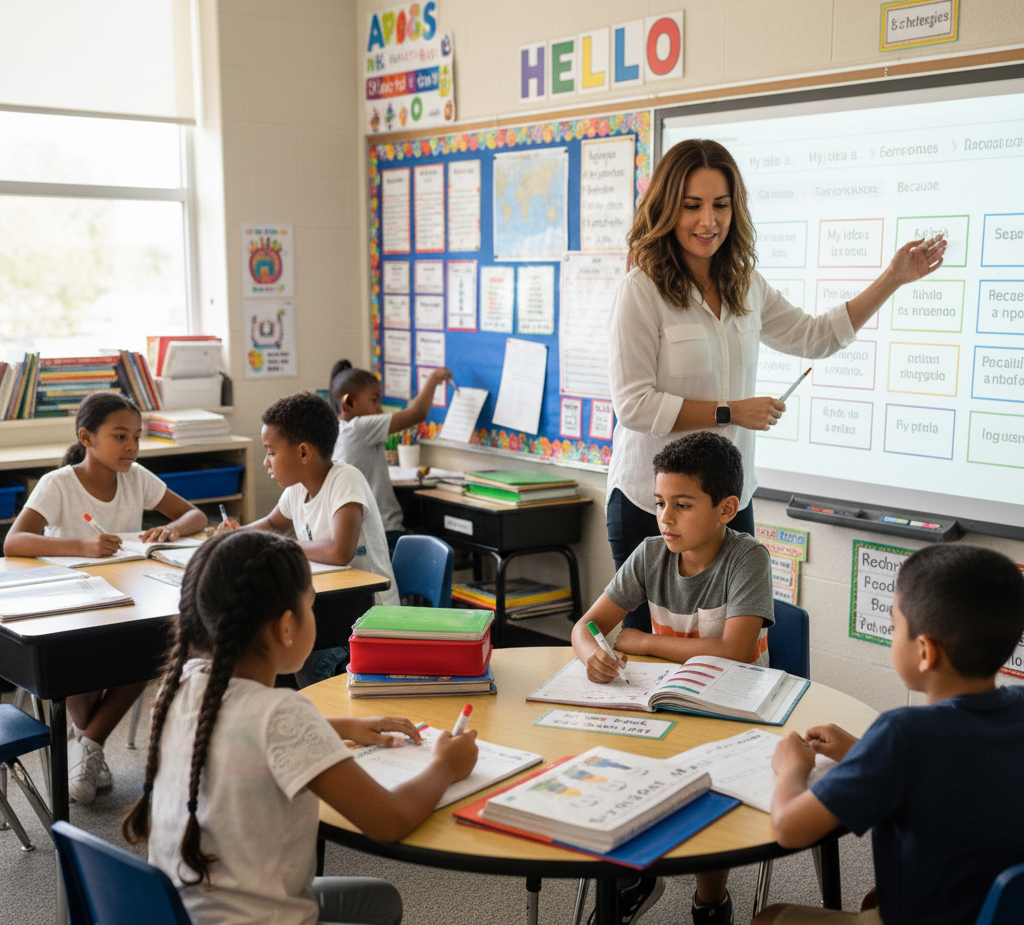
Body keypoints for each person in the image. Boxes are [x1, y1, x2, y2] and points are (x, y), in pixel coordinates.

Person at [607, 138, 946, 633]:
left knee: (733, 651)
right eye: (692, 206)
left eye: (721, 205)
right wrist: (730, 411)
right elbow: (634, 405)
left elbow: (816, 336)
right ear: (666, 209)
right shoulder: (640, 291)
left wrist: (893, 278)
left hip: (726, 503)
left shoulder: (746, 284)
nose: (708, 221)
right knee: (648, 647)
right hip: (651, 505)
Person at [123, 529, 478, 925]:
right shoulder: (283, 713)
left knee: (378, 900)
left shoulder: (180, 686)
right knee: (381, 900)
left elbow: (242, 730)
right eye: (311, 604)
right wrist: (445, 765)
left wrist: (341, 726)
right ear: (286, 626)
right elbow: (388, 820)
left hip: (177, 912)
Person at [755, 544, 1024, 925]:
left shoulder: (902, 734)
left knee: (768, 918)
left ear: (925, 652)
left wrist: (792, 768)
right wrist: (864, 750)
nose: (892, 635)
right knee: (873, 897)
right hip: (1002, 910)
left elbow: (789, 829)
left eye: (895, 627)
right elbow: (949, 766)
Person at [571, 430, 774, 925]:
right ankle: (631, 879)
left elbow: (732, 652)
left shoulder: (747, 558)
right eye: (660, 503)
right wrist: (593, 654)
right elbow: (586, 627)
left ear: (726, 509)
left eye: (682, 505)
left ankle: (711, 900)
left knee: (711, 788)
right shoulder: (649, 554)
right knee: (612, 764)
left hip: (734, 710)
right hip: (665, 702)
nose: (665, 517)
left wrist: (641, 642)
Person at [3, 391, 207, 804]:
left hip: (130, 593)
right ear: (87, 437)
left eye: (137, 436)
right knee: (80, 660)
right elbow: (14, 541)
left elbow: (195, 515)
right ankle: (89, 748)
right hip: (70, 601)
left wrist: (171, 530)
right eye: (120, 436)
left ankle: (87, 743)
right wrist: (82, 546)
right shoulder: (59, 484)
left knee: (151, 650)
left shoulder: (136, 477)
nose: (132, 446)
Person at [218, 390, 399, 686]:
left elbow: (340, 551)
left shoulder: (345, 479)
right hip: (329, 608)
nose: (266, 462)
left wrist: (280, 546)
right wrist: (237, 536)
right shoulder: (297, 487)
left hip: (369, 619)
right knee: (268, 645)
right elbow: (272, 524)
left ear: (303, 453)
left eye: (271, 452)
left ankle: (311, 705)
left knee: (289, 656)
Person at [329, 359, 452, 557]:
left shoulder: (336, 430)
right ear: (349, 403)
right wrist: (434, 378)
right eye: (374, 400)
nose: (380, 409)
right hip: (383, 532)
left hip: (360, 534)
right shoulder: (360, 427)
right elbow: (418, 413)